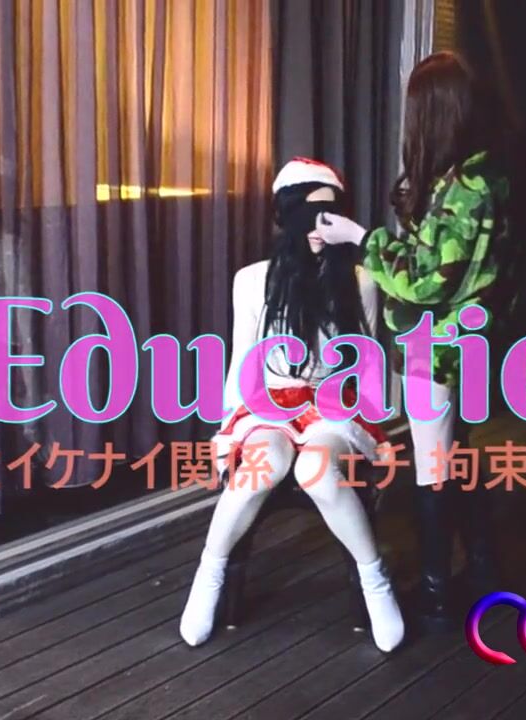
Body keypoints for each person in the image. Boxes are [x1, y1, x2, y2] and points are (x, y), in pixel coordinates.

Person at [314, 51, 518, 631]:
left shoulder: (465, 187)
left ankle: (435, 594)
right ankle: (481, 571)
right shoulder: (487, 173)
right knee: (453, 454)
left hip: (439, 345)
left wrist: (362, 239)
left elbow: (427, 279)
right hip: (469, 340)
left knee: (433, 465)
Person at [178, 158, 405, 653]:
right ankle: (209, 575)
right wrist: (225, 433)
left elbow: (368, 363)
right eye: (308, 215)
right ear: (286, 216)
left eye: (330, 214)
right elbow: (242, 359)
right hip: (268, 404)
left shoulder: (361, 279)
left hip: (332, 406)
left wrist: (377, 434)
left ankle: (375, 580)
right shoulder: (252, 280)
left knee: (316, 471)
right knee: (262, 467)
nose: (320, 228)